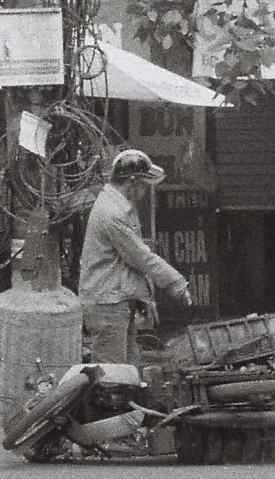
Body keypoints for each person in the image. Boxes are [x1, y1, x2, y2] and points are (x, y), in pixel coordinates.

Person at [78, 149, 191, 364]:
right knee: (110, 374)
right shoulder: (113, 213)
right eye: (144, 185)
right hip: (107, 303)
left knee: (127, 369)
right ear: (132, 182)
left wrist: (145, 297)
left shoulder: (117, 205)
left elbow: (130, 261)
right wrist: (176, 283)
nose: (145, 191)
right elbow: (140, 257)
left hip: (113, 299)